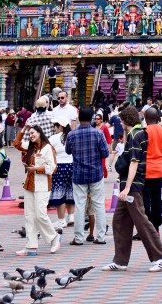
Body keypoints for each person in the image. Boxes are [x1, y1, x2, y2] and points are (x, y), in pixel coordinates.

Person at [103, 106, 162, 272]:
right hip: (134, 182)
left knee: (141, 221)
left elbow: (133, 162)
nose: (120, 123)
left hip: (132, 185)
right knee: (119, 221)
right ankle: (120, 260)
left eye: (121, 120)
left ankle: (161, 255)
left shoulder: (136, 134)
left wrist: (126, 188)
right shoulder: (139, 132)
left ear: (126, 120)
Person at [64, 105, 109, 246]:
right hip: (96, 173)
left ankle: (78, 238)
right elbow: (106, 153)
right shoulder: (98, 133)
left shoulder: (72, 134)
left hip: (78, 175)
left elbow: (67, 151)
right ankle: (101, 237)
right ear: (91, 118)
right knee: (99, 205)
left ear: (78, 118)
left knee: (79, 205)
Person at [17, 125, 60, 257]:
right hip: (29, 185)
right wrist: (23, 130)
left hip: (42, 185)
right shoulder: (30, 147)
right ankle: (31, 246)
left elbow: (53, 168)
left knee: (40, 214)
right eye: (29, 134)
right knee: (29, 216)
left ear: (40, 133)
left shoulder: (48, 148)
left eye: (33, 133)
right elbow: (16, 144)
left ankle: (54, 238)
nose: (31, 136)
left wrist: (36, 169)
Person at [142, 108, 162, 231]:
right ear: (157, 118)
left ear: (145, 118)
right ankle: (156, 226)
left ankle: (147, 226)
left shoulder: (144, 131)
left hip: (146, 170)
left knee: (145, 199)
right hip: (159, 169)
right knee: (156, 199)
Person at [49, 118, 75, 231]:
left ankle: (61, 219)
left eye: (55, 126)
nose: (54, 128)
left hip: (59, 166)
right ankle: (71, 216)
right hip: (72, 165)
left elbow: (49, 152)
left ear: (60, 127)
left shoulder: (53, 138)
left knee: (60, 193)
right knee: (70, 191)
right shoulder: (72, 136)